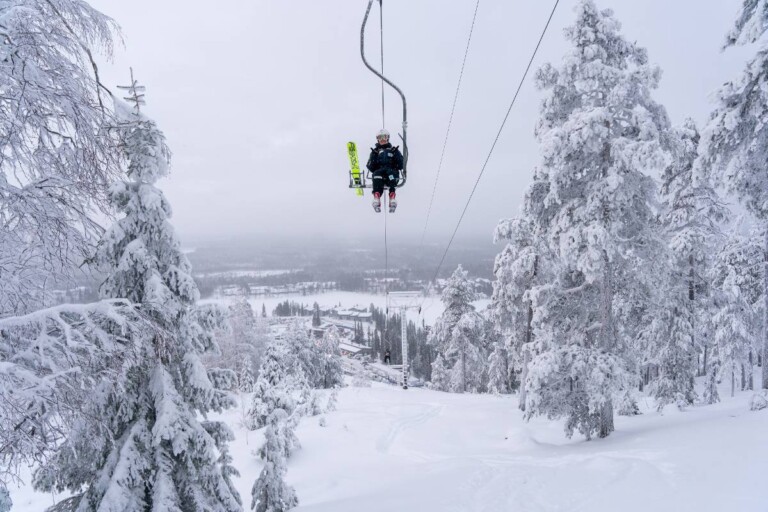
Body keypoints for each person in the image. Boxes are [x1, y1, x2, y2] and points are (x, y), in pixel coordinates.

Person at [366, 129, 404, 212]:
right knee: (376, 174)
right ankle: (376, 196)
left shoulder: (393, 150)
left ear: (387, 138)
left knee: (391, 174)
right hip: (380, 173)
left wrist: (396, 153)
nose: (382, 139)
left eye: (384, 137)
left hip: (391, 171)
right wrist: (374, 156)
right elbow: (371, 167)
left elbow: (401, 165)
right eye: (380, 137)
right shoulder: (375, 152)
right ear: (377, 139)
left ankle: (392, 196)